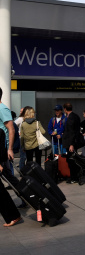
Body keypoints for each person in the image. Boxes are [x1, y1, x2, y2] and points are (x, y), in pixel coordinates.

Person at [0, 87, 22, 227]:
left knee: (9, 180)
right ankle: (26, 197)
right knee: (10, 179)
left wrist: (9, 149)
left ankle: (13, 214)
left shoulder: (2, 109)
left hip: (1, 150)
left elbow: (11, 129)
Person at [62, 103, 82, 184]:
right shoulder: (76, 116)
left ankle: (74, 177)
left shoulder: (70, 118)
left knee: (71, 160)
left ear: (65, 109)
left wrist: (71, 144)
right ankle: (75, 176)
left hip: (71, 143)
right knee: (73, 159)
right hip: (74, 141)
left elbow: (72, 132)